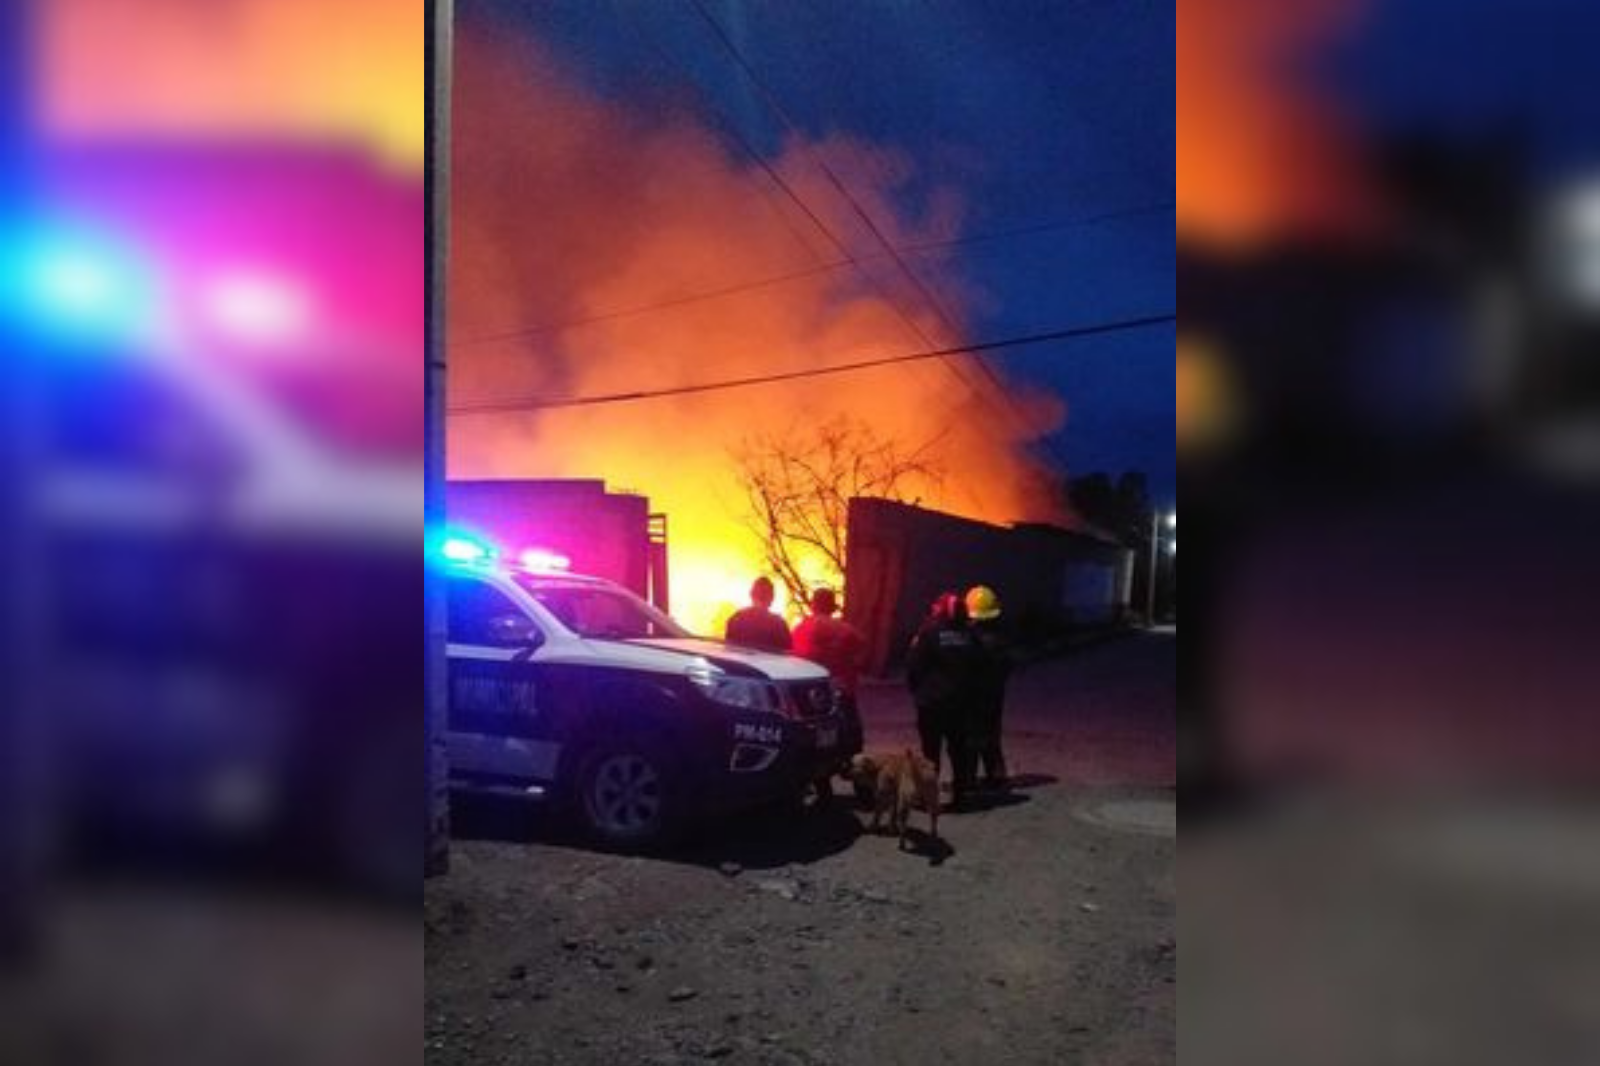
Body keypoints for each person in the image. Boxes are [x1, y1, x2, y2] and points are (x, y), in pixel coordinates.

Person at [905, 591, 983, 810]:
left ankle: (929, 798)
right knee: (959, 751)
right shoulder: (970, 635)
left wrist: (917, 691)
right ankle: (960, 797)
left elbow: (914, 664)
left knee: (931, 753)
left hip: (932, 704)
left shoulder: (929, 632)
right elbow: (981, 667)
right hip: (961, 704)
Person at [791, 587, 866, 806]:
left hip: (811, 699)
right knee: (852, 743)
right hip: (842, 694)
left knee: (818, 744)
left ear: (814, 605)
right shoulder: (846, 630)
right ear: (832, 606)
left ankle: (824, 792)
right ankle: (863, 791)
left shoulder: (800, 629)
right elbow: (863, 652)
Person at [964, 584, 1012, 790]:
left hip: (974, 696)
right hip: (994, 694)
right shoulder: (1001, 638)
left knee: (971, 738)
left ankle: (968, 779)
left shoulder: (973, 641)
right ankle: (997, 776)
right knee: (992, 735)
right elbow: (1008, 666)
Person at [724, 576, 792, 652]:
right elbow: (786, 656)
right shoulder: (779, 625)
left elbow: (729, 651)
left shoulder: (735, 619)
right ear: (772, 598)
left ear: (751, 595)